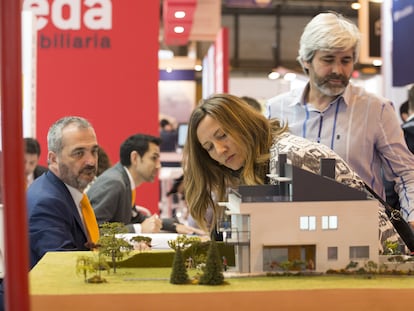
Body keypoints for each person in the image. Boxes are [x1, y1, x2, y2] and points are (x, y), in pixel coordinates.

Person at [266, 12, 414, 229]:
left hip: (363, 232)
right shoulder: (276, 109)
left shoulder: (377, 109)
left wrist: (411, 219)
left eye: (346, 60)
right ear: (306, 60)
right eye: (327, 60)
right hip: (293, 232)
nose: (338, 70)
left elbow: (406, 174)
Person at [183, 93, 367, 232]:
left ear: (244, 123)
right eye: (209, 148)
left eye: (223, 135)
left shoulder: (289, 156)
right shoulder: (252, 166)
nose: (220, 150)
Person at [87, 133, 204, 235]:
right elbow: (93, 230)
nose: (158, 165)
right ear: (135, 158)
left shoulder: (124, 180)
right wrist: (139, 228)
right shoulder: (114, 183)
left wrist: (174, 226)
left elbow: (136, 217)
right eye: (154, 158)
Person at [27, 116, 100, 268]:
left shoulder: (65, 192)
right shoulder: (47, 203)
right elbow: (65, 268)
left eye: (94, 151)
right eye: (79, 153)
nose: (91, 161)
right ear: (53, 159)